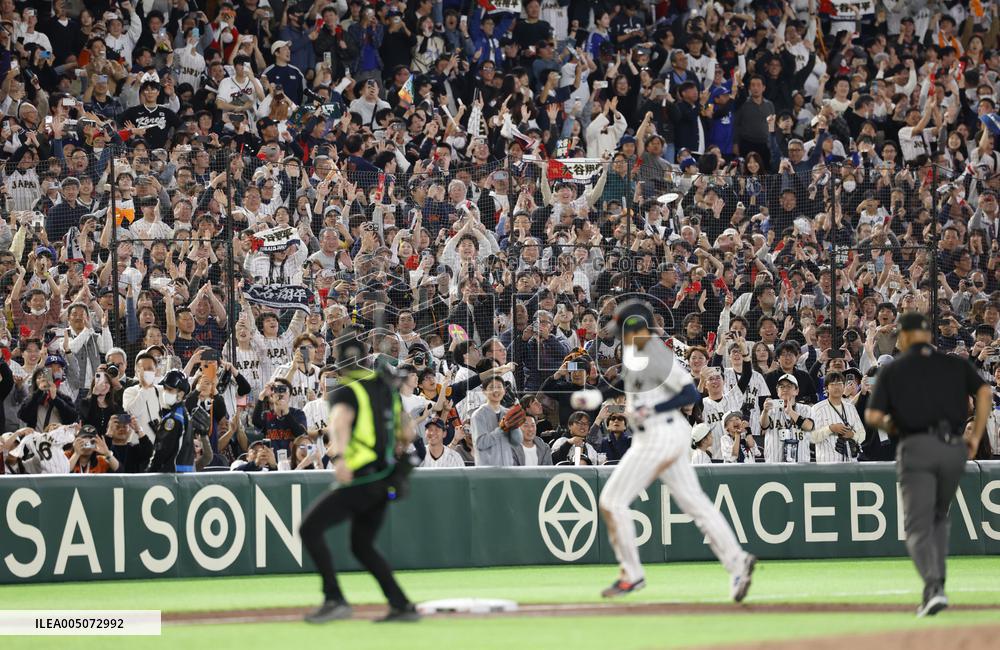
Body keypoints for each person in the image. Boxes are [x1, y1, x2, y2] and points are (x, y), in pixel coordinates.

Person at [571, 300, 756, 602]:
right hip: (663, 434)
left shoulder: (653, 350)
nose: (621, 335)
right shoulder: (637, 352)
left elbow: (689, 392)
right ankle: (737, 561)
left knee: (612, 501)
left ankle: (632, 574)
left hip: (659, 435)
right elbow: (625, 381)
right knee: (695, 503)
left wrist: (654, 408)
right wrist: (596, 395)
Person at [865, 313, 991, 618]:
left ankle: (934, 588)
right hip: (953, 447)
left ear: (905, 336)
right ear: (928, 335)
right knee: (938, 518)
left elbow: (873, 416)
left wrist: (892, 425)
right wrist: (975, 437)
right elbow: (984, 392)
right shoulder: (955, 363)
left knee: (917, 525)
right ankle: (937, 584)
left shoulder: (894, 369)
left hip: (917, 446)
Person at [298, 335, 420, 624]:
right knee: (361, 545)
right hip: (386, 478)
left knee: (309, 528)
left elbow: (340, 422)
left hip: (361, 479)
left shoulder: (344, 390)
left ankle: (334, 599)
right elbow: (408, 433)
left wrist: (340, 457)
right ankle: (401, 604)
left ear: (339, 362)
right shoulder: (386, 390)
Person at [147, 370, 197, 472]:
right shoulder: (183, 413)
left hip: (172, 473)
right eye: (165, 388)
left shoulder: (173, 418)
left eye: (170, 389)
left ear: (181, 394)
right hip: (184, 472)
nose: (165, 392)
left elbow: (162, 451)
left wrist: (150, 471)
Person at [810, 371, 866, 463]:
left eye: (839, 384)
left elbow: (862, 435)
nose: (836, 387)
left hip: (850, 463)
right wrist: (831, 429)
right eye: (832, 384)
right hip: (827, 463)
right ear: (826, 389)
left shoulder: (850, 407)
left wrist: (852, 435)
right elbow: (812, 437)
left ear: (844, 387)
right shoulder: (817, 409)